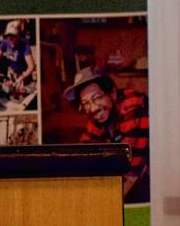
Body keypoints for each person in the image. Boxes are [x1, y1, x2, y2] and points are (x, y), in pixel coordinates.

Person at [64, 66, 150, 202]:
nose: (92, 108)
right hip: (128, 185)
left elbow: (132, 170)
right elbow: (83, 154)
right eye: (86, 103)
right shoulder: (99, 115)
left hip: (156, 186)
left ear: (113, 94)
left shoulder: (132, 104)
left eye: (97, 98)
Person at [0, 20, 35, 92]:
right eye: (8, 35)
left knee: (20, 94)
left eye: (13, 35)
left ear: (18, 35)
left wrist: (22, 77)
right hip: (11, 73)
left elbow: (31, 66)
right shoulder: (5, 43)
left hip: (23, 76)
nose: (10, 38)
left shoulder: (24, 46)